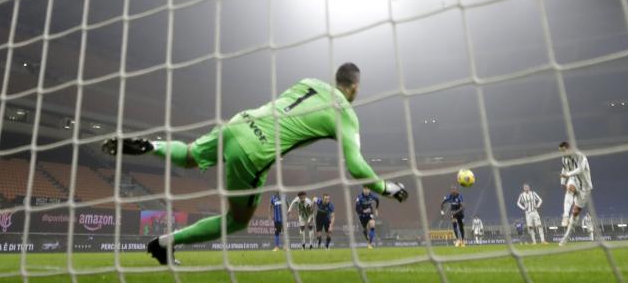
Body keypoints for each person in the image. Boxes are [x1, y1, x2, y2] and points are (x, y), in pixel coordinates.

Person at [102, 63, 408, 265]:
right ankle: (164, 243)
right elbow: (355, 166)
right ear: (354, 88)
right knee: (236, 220)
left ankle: (151, 145)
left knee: (190, 156)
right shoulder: (347, 115)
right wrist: (386, 187)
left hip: (240, 122)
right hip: (256, 150)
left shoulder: (309, 82)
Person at [558, 141, 592, 246]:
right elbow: (564, 168)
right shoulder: (564, 159)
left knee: (576, 212)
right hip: (574, 180)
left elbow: (581, 169)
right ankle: (565, 215)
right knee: (569, 189)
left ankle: (566, 236)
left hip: (585, 186)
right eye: (561, 151)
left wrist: (568, 174)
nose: (562, 153)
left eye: (564, 151)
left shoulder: (580, 156)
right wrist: (563, 182)